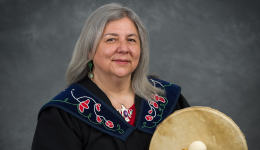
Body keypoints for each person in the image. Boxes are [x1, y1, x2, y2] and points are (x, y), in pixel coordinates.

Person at [32, 3, 190, 150]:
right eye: (111, 39)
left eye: (131, 40)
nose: (123, 48)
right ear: (89, 50)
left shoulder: (167, 99)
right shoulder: (63, 114)